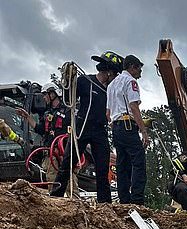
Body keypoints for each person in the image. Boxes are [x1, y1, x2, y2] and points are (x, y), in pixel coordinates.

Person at [51, 51, 123, 203]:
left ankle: (105, 204)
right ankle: (55, 197)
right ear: (108, 71)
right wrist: (68, 81)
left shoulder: (110, 91)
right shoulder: (85, 81)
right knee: (68, 163)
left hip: (100, 131)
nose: (116, 78)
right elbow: (67, 98)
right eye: (115, 74)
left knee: (103, 169)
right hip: (82, 127)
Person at [106, 54, 149, 205]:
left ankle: (124, 200)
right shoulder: (130, 82)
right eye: (139, 70)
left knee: (122, 164)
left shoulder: (111, 85)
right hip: (128, 125)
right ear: (132, 67)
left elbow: (108, 113)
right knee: (138, 162)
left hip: (116, 127)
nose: (139, 74)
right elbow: (133, 106)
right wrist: (143, 131)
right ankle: (137, 200)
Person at [16, 86, 74, 194]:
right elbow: (40, 129)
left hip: (65, 152)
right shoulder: (47, 113)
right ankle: (54, 202)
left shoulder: (68, 111)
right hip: (50, 152)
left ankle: (76, 204)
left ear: (52, 94)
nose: (44, 97)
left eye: (45, 94)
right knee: (51, 179)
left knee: (70, 179)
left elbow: (75, 132)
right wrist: (27, 117)